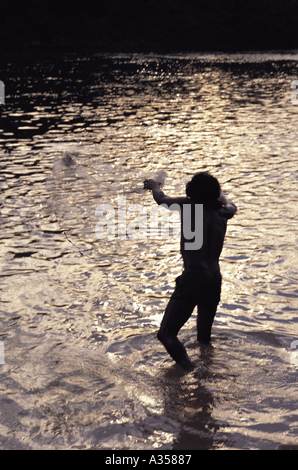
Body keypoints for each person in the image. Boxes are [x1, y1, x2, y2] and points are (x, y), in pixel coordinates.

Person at [143, 172, 237, 371]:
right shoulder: (223, 213)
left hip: (193, 277)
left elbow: (161, 199)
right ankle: (207, 372)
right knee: (204, 339)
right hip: (214, 279)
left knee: (166, 335)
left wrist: (154, 186)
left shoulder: (187, 206)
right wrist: (223, 199)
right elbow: (232, 207)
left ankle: (192, 372)